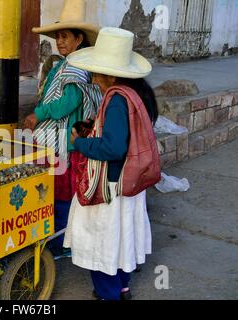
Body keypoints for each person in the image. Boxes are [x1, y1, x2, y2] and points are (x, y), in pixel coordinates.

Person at [64, 27, 161, 300]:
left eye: (96, 72)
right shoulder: (137, 95)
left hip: (111, 186)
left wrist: (79, 143)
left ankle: (108, 294)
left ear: (111, 73)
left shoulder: (117, 100)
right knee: (122, 239)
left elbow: (114, 147)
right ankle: (122, 286)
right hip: (129, 185)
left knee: (102, 243)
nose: (94, 79)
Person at [23, 0, 102, 259]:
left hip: (65, 143)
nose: (60, 41)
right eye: (58, 36)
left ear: (79, 39)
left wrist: (39, 113)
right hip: (56, 140)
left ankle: (62, 243)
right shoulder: (62, 65)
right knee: (56, 194)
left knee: (62, 196)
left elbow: (69, 103)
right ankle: (62, 238)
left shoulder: (77, 67)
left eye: (65, 36)